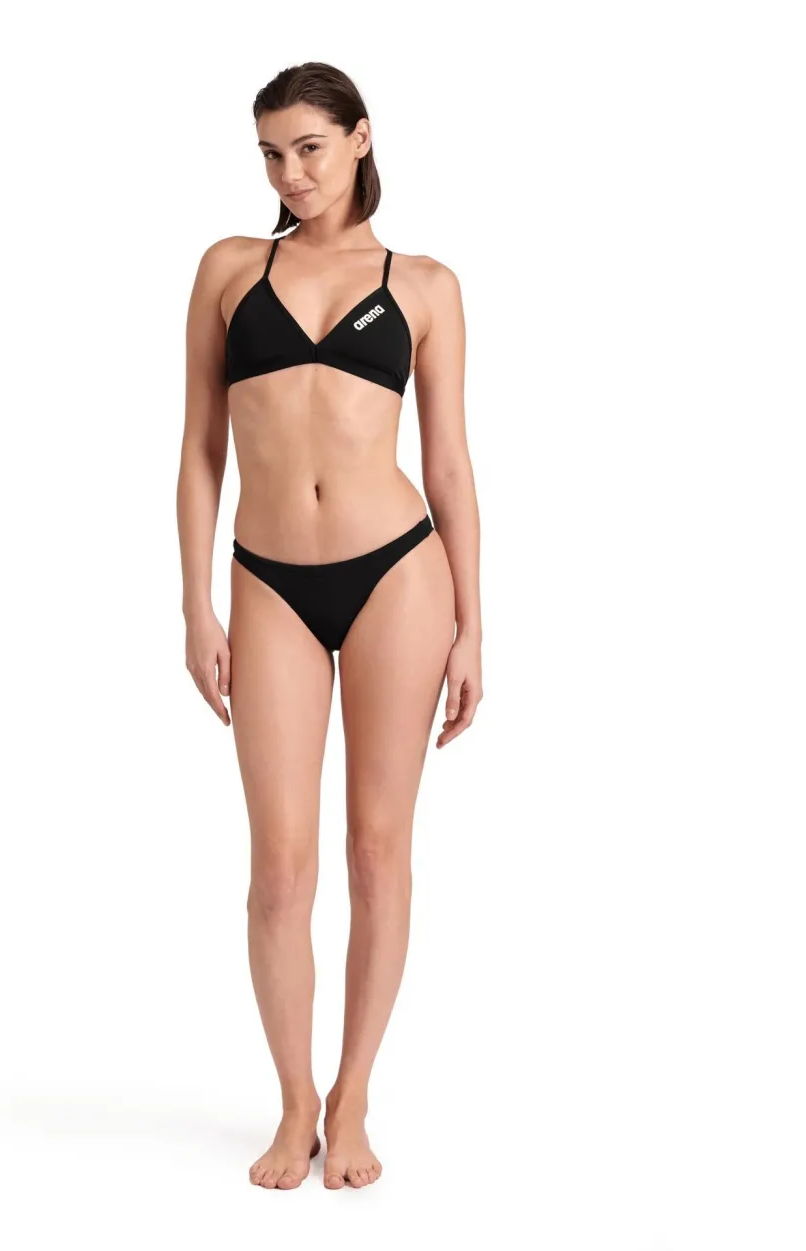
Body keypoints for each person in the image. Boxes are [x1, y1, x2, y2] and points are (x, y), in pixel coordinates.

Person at [177, 61, 482, 1190]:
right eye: (271, 153)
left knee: (377, 846)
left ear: (360, 138)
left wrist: (474, 626)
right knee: (280, 865)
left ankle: (352, 1095)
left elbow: (448, 464)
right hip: (267, 581)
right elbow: (199, 449)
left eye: (309, 147)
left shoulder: (425, 284)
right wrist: (194, 600)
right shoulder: (229, 270)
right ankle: (294, 1097)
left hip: (401, 573)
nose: (290, 174)